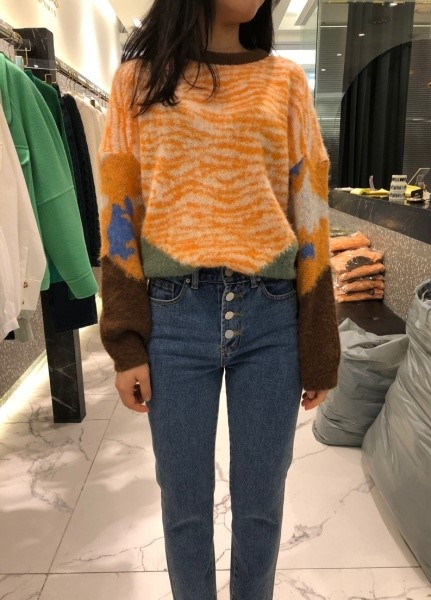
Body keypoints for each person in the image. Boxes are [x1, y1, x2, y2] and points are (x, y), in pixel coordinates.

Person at [98, 0, 341, 598]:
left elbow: (310, 210)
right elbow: (119, 212)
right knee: (183, 505)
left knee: (262, 504)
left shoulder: (285, 81)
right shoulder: (137, 82)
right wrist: (125, 340)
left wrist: (319, 342)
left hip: (271, 315)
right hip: (174, 318)